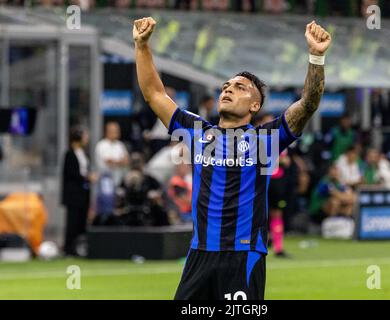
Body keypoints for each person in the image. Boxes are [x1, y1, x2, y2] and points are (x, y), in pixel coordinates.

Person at [134, 17, 331, 300]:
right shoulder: (196, 132)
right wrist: (142, 45)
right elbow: (154, 93)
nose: (228, 89)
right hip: (200, 256)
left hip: (242, 256)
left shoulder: (266, 139)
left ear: (255, 105)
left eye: (239, 87)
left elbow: (308, 103)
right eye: (226, 85)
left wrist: (316, 56)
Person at [61, 126, 96, 256]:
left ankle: (79, 248)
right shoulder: (69, 154)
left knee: (82, 221)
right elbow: (72, 174)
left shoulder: (84, 154)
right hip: (73, 195)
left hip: (84, 193)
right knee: (72, 222)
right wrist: (87, 177)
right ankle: (68, 249)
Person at [95, 122, 129, 186]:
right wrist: (121, 162)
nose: (117, 133)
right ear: (107, 132)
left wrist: (117, 162)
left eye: (117, 130)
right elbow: (109, 162)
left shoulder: (120, 144)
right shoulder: (102, 144)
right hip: (105, 180)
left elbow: (127, 160)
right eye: (114, 131)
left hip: (119, 179)